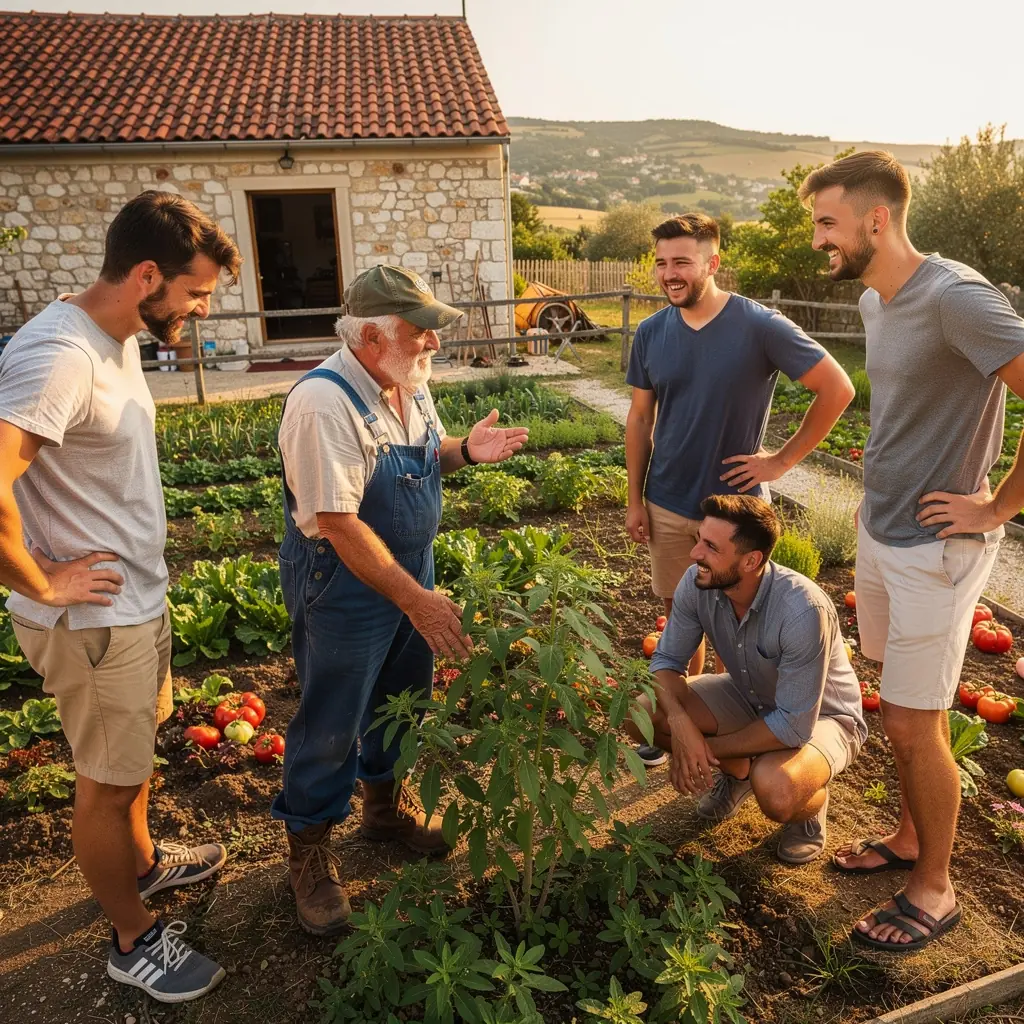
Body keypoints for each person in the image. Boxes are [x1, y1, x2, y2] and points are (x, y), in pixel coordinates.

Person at [0, 191, 241, 1001]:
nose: (201, 309)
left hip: (133, 603)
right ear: (146, 275)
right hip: (93, 620)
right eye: (197, 292)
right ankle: (131, 939)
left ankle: (143, 866)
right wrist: (41, 582)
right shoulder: (59, 355)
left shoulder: (120, 333)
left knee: (130, 761)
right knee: (105, 783)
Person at [799, 150, 1024, 951]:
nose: (818, 238)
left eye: (827, 221)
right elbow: (903, 408)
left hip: (938, 548)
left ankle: (935, 889)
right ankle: (905, 839)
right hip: (882, 529)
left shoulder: (955, 297)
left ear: (875, 218)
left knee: (918, 721)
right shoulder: (874, 300)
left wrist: (999, 502)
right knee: (898, 712)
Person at [272, 264, 529, 936]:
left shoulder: (406, 385)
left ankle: (383, 812)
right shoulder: (323, 402)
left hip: (408, 569)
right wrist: (417, 600)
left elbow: (423, 454)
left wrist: (464, 452)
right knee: (332, 716)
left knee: (401, 702)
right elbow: (338, 521)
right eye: (422, 332)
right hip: (342, 581)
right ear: (372, 336)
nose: (434, 345)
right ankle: (309, 852)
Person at [625, 213, 854, 765]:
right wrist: (635, 499)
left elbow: (836, 387)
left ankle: (746, 745)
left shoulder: (760, 325)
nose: (669, 273)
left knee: (740, 627)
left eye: (681, 261)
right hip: (668, 502)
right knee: (684, 618)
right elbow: (638, 420)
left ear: (713, 262)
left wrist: (780, 461)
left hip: (738, 516)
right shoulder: (652, 332)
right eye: (660, 263)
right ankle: (689, 732)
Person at [625, 495, 866, 864]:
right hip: (747, 696)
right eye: (699, 540)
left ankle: (808, 804)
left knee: (775, 789)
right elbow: (666, 661)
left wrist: (701, 751)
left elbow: (792, 726)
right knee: (640, 712)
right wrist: (680, 724)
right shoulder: (697, 582)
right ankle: (738, 774)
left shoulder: (802, 610)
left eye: (710, 547)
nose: (695, 554)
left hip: (822, 718)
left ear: (751, 561)